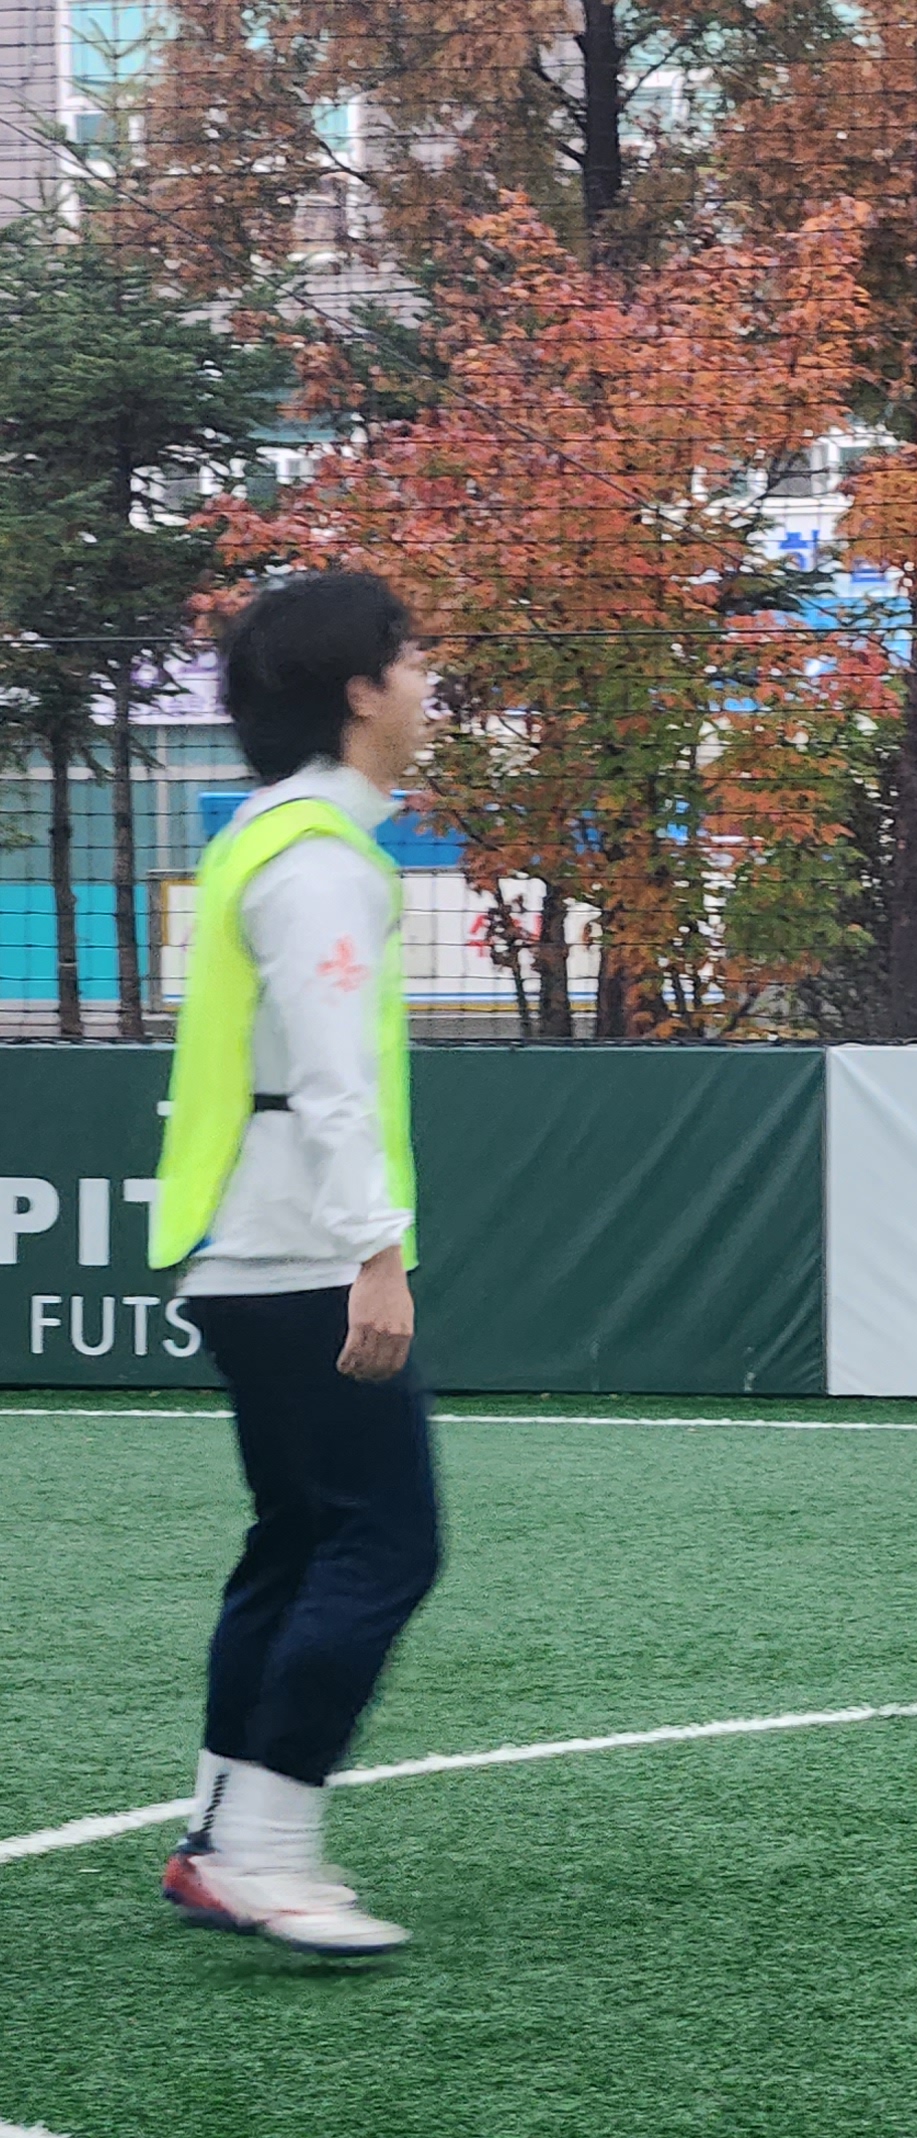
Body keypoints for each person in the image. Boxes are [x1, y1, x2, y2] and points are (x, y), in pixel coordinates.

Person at [146, 568, 441, 1956]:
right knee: (385, 1544)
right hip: (299, 1257)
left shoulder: (270, 837)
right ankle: (265, 1849)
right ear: (359, 690)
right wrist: (375, 1255)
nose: (429, 685)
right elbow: (330, 1080)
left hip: (254, 1250)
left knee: (299, 1539)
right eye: (414, 660)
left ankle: (221, 1836)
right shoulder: (318, 859)